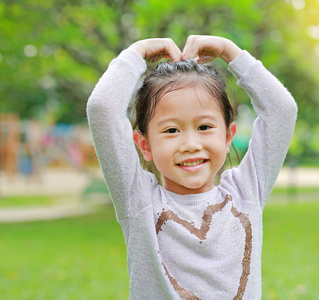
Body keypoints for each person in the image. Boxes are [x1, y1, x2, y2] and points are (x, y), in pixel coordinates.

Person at [87, 35, 297, 299]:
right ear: (145, 145)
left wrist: (231, 53)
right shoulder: (139, 201)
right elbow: (101, 107)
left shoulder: (246, 193)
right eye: (172, 130)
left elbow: (282, 110)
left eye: (204, 127)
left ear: (228, 136)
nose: (190, 144)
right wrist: (136, 53)